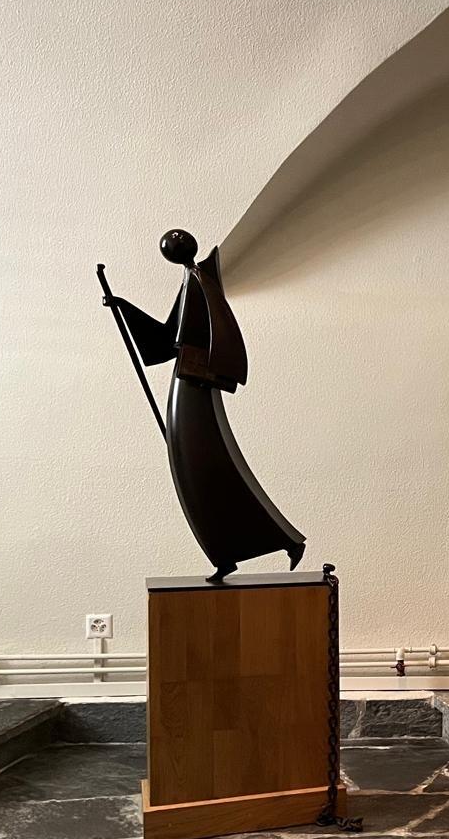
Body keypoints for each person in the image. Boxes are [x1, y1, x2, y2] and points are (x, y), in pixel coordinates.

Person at [103, 229, 305, 580]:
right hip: (187, 382)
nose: (173, 251)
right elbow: (168, 337)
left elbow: (219, 332)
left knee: (206, 470)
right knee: (198, 471)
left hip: (195, 384)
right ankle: (232, 553)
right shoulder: (190, 280)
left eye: (175, 246)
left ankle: (262, 545)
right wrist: (124, 308)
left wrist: (219, 373)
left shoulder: (200, 280)